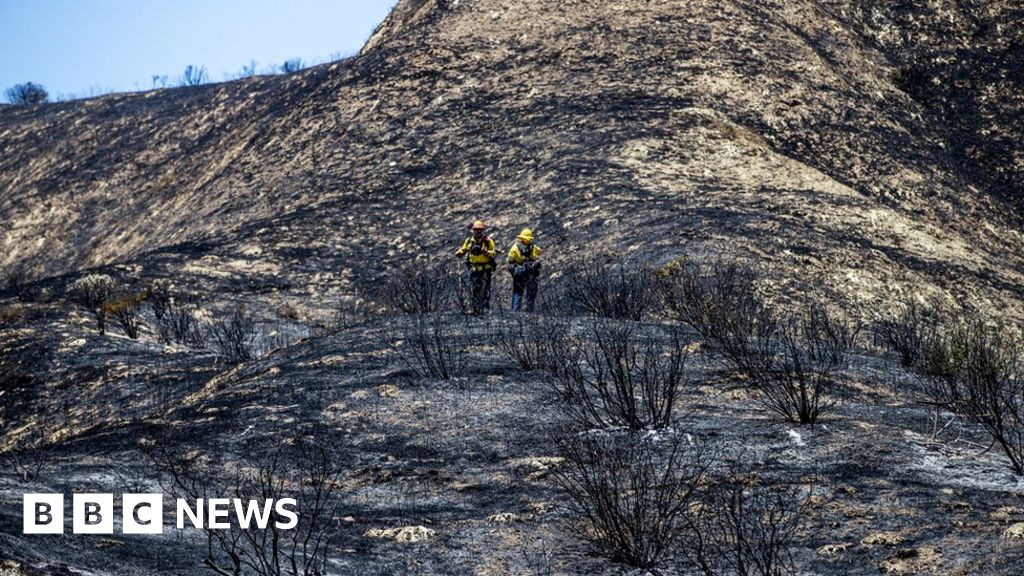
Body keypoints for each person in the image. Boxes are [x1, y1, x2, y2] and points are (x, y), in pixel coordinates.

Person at [455, 220, 498, 314]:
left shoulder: (488, 241)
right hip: (474, 270)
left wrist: (486, 252)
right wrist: (459, 253)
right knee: (475, 289)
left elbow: (493, 253)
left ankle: (485, 309)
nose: (478, 231)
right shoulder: (469, 241)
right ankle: (476, 309)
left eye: (480, 230)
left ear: (483, 230)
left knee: (486, 289)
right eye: (476, 229)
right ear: (473, 230)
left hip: (486, 269)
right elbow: (463, 250)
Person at [506, 228, 542, 312]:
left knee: (517, 293)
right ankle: (529, 313)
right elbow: (538, 255)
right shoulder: (534, 247)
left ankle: (515, 313)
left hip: (519, 273)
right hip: (531, 273)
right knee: (531, 295)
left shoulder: (515, 247)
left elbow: (510, 260)